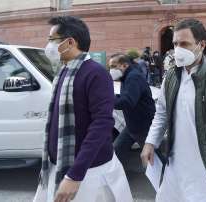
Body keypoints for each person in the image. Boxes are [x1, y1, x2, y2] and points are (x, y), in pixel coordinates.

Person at [141, 18, 206, 202]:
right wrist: (150, 142)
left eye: (184, 43)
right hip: (175, 166)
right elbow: (162, 114)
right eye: (175, 43)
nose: (178, 49)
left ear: (201, 44)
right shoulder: (171, 77)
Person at [34, 16, 132, 202]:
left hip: (89, 173)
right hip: (59, 166)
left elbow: (102, 124)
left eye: (51, 40)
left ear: (69, 42)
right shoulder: (63, 71)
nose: (48, 46)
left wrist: (75, 174)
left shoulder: (95, 73)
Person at [109, 53, 156, 166]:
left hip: (143, 126)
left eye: (113, 66)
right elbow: (123, 97)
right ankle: (112, 179)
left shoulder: (133, 77)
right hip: (132, 126)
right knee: (116, 151)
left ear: (124, 65)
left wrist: (107, 99)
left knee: (154, 160)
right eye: (110, 67)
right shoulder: (124, 78)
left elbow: (127, 101)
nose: (111, 70)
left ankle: (166, 179)